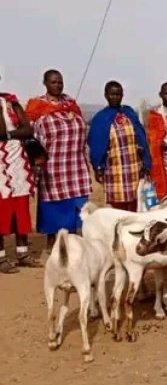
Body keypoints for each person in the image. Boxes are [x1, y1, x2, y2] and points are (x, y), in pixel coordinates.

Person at [24, 70, 91, 250]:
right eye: (54, 82)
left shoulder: (70, 103)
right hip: (52, 167)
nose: (58, 85)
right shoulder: (36, 106)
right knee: (54, 207)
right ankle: (54, 244)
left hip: (76, 166)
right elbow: (29, 138)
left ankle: (73, 243)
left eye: (60, 82)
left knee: (77, 206)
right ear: (45, 83)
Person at [88, 81, 152, 212]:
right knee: (118, 210)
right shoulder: (101, 118)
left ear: (122, 95)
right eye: (112, 94)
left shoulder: (129, 113)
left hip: (134, 168)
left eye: (118, 94)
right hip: (114, 169)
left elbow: (142, 137)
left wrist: (145, 161)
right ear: (106, 95)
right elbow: (95, 144)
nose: (115, 97)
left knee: (137, 205)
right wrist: (98, 167)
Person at [0, 90, 36, 273]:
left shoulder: (10, 101)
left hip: (17, 161)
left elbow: (28, 130)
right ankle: (1, 258)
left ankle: (22, 253)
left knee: (20, 208)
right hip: (0, 166)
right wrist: (14, 133)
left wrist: (8, 135)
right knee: (2, 210)